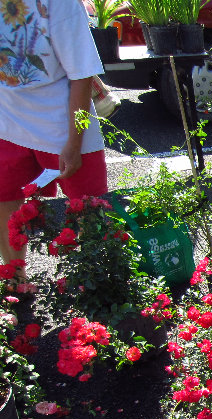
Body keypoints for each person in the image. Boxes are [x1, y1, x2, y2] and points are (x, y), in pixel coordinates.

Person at [0, 0, 107, 286]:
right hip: (7, 118)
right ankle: (16, 279)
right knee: (4, 196)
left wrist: (75, 141)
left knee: (89, 206)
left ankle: (95, 280)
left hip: (64, 119)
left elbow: (82, 77)